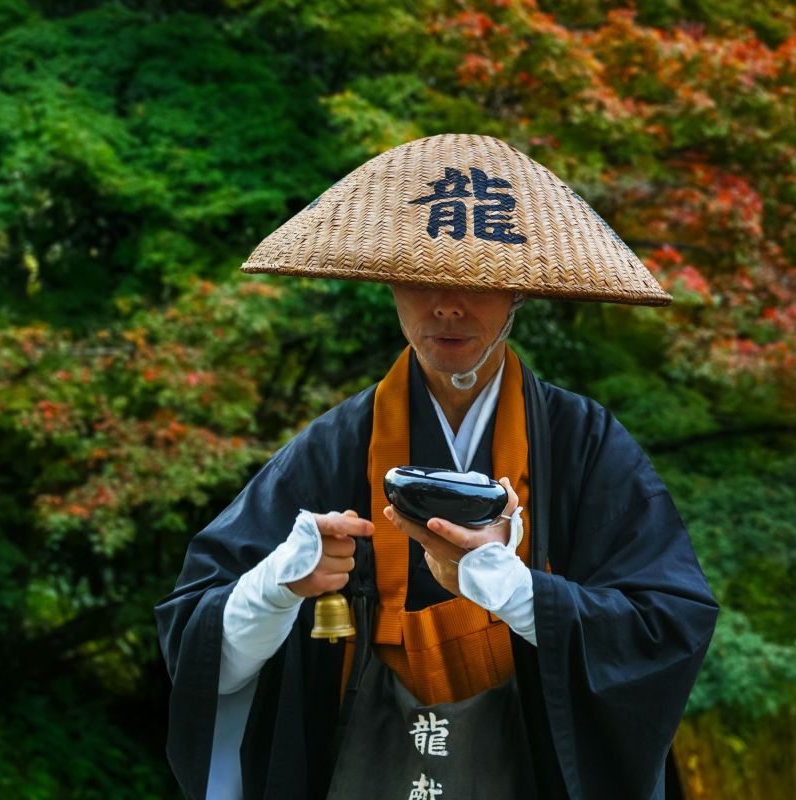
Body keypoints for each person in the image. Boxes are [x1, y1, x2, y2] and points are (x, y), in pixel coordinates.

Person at [155, 134, 719, 800]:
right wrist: (277, 587)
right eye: (423, 278)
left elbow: (668, 626)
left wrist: (511, 589)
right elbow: (195, 647)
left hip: (526, 768)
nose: (446, 305)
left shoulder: (584, 444)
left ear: (518, 294)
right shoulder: (334, 446)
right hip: (359, 759)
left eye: (476, 280)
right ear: (388, 282)